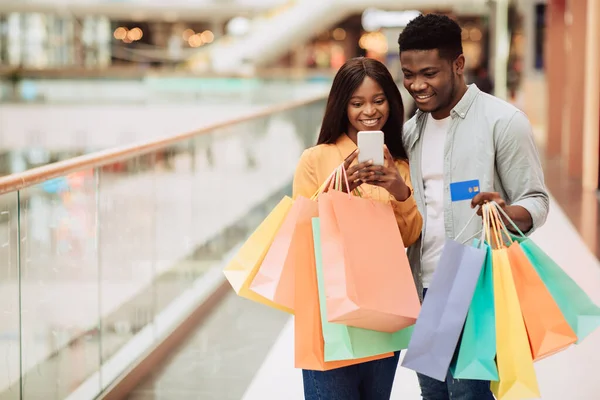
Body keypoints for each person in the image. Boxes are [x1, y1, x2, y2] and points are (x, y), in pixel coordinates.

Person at [398, 13, 549, 400]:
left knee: (470, 395)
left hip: (476, 286)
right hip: (425, 288)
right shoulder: (411, 130)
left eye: (429, 73)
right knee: (433, 395)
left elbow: (536, 200)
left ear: (458, 64)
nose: (418, 85)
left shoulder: (503, 121)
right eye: (409, 74)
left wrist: (503, 211)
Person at [293, 56, 423, 399]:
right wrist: (338, 191)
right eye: (357, 102)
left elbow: (409, 237)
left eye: (379, 100)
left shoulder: (400, 166)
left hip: (383, 305)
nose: (370, 111)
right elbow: (301, 234)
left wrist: (399, 190)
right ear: (342, 105)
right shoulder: (315, 159)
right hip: (328, 310)